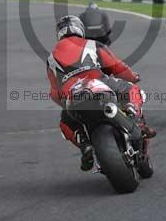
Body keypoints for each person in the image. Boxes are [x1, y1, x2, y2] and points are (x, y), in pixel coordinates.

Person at [47, 15, 156, 171]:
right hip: (97, 81)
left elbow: (54, 92)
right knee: (131, 89)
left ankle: (84, 145)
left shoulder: (51, 58)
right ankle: (134, 116)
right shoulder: (91, 44)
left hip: (73, 94)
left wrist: (65, 102)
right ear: (80, 29)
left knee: (65, 122)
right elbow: (117, 67)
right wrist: (132, 77)